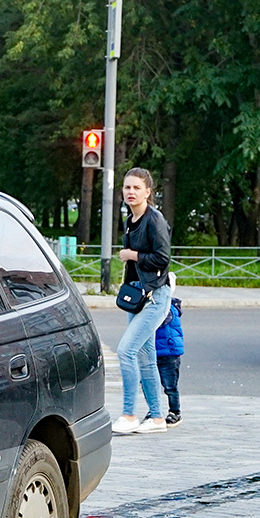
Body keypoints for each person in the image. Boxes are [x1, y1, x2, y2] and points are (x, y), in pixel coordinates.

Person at [111, 167, 173, 435]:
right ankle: (158, 418)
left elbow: (163, 258)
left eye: (137, 188)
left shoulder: (154, 219)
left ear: (148, 191)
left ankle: (129, 414)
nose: (131, 192)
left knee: (126, 351)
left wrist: (132, 255)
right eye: (127, 188)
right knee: (146, 357)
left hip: (155, 296)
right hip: (138, 296)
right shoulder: (131, 219)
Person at [155, 296, 184, 427]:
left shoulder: (168, 308)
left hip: (169, 353)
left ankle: (175, 412)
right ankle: (154, 412)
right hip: (157, 352)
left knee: (170, 387)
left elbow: (158, 321)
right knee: (151, 384)